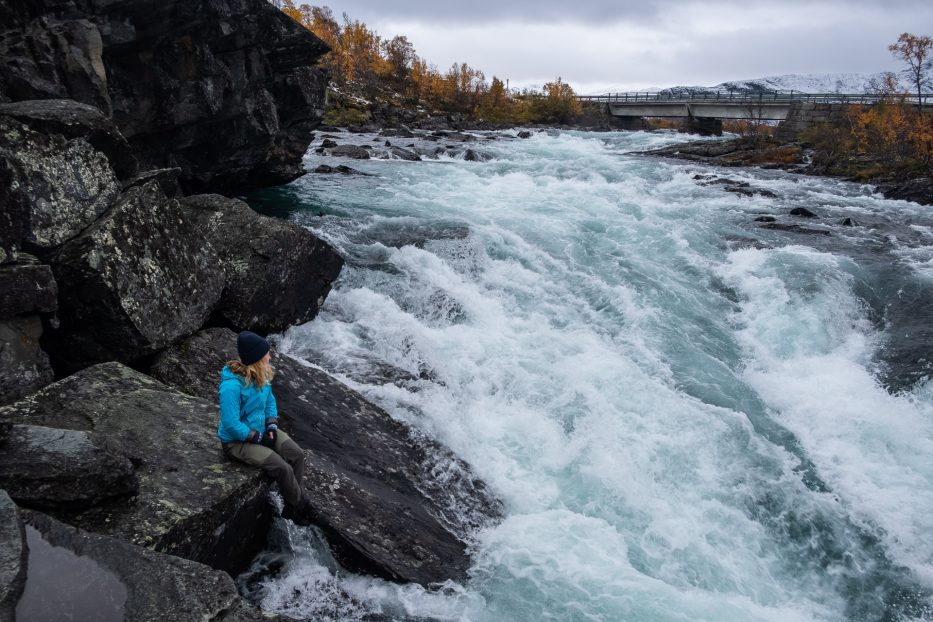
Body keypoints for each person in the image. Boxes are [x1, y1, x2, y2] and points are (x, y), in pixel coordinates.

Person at [218, 330, 314, 526]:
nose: (270, 357)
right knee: (282, 467)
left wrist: (271, 425)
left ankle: (291, 504)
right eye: (266, 355)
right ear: (256, 359)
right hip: (236, 442)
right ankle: (301, 505)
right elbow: (231, 424)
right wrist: (259, 437)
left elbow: (270, 401)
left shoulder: (261, 376)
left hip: (262, 429)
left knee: (296, 454)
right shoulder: (231, 387)